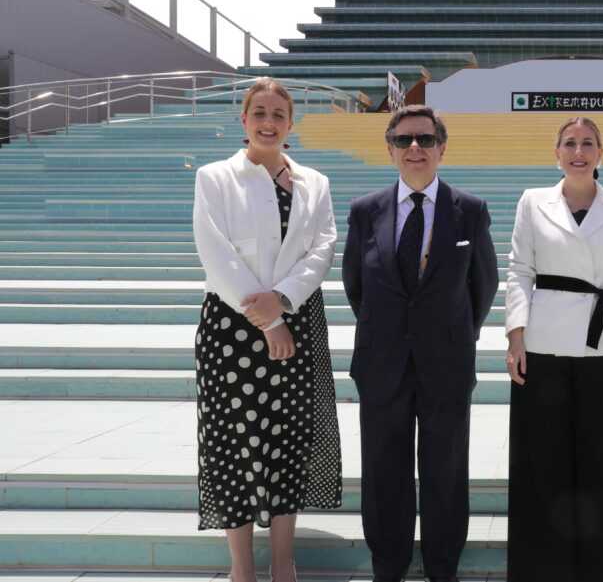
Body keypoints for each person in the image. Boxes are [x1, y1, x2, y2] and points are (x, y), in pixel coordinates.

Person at [192, 78, 342, 582]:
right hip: (232, 327)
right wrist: (269, 318)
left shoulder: (314, 182)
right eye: (259, 112)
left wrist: (283, 301)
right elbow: (215, 252)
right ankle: (242, 567)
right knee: (233, 442)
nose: (268, 122)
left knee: (288, 440)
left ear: (291, 123)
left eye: (278, 113)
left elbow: (322, 249)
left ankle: (282, 561)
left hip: (297, 322)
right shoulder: (216, 177)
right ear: (244, 119)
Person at [342, 104, 497, 582]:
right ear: (389, 149)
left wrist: (454, 334)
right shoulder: (365, 211)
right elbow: (356, 285)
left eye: (425, 139)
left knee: (445, 471)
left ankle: (441, 566)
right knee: (383, 470)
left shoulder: (470, 210)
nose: (415, 147)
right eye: (404, 139)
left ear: (441, 149)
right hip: (382, 362)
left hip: (446, 362)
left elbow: (484, 285)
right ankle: (388, 564)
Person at [504, 117, 603, 582]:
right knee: (540, 463)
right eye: (569, 143)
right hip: (541, 346)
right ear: (556, 152)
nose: (578, 151)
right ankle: (540, 570)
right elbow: (520, 271)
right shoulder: (531, 201)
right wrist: (515, 335)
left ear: (601, 152)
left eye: (587, 143)